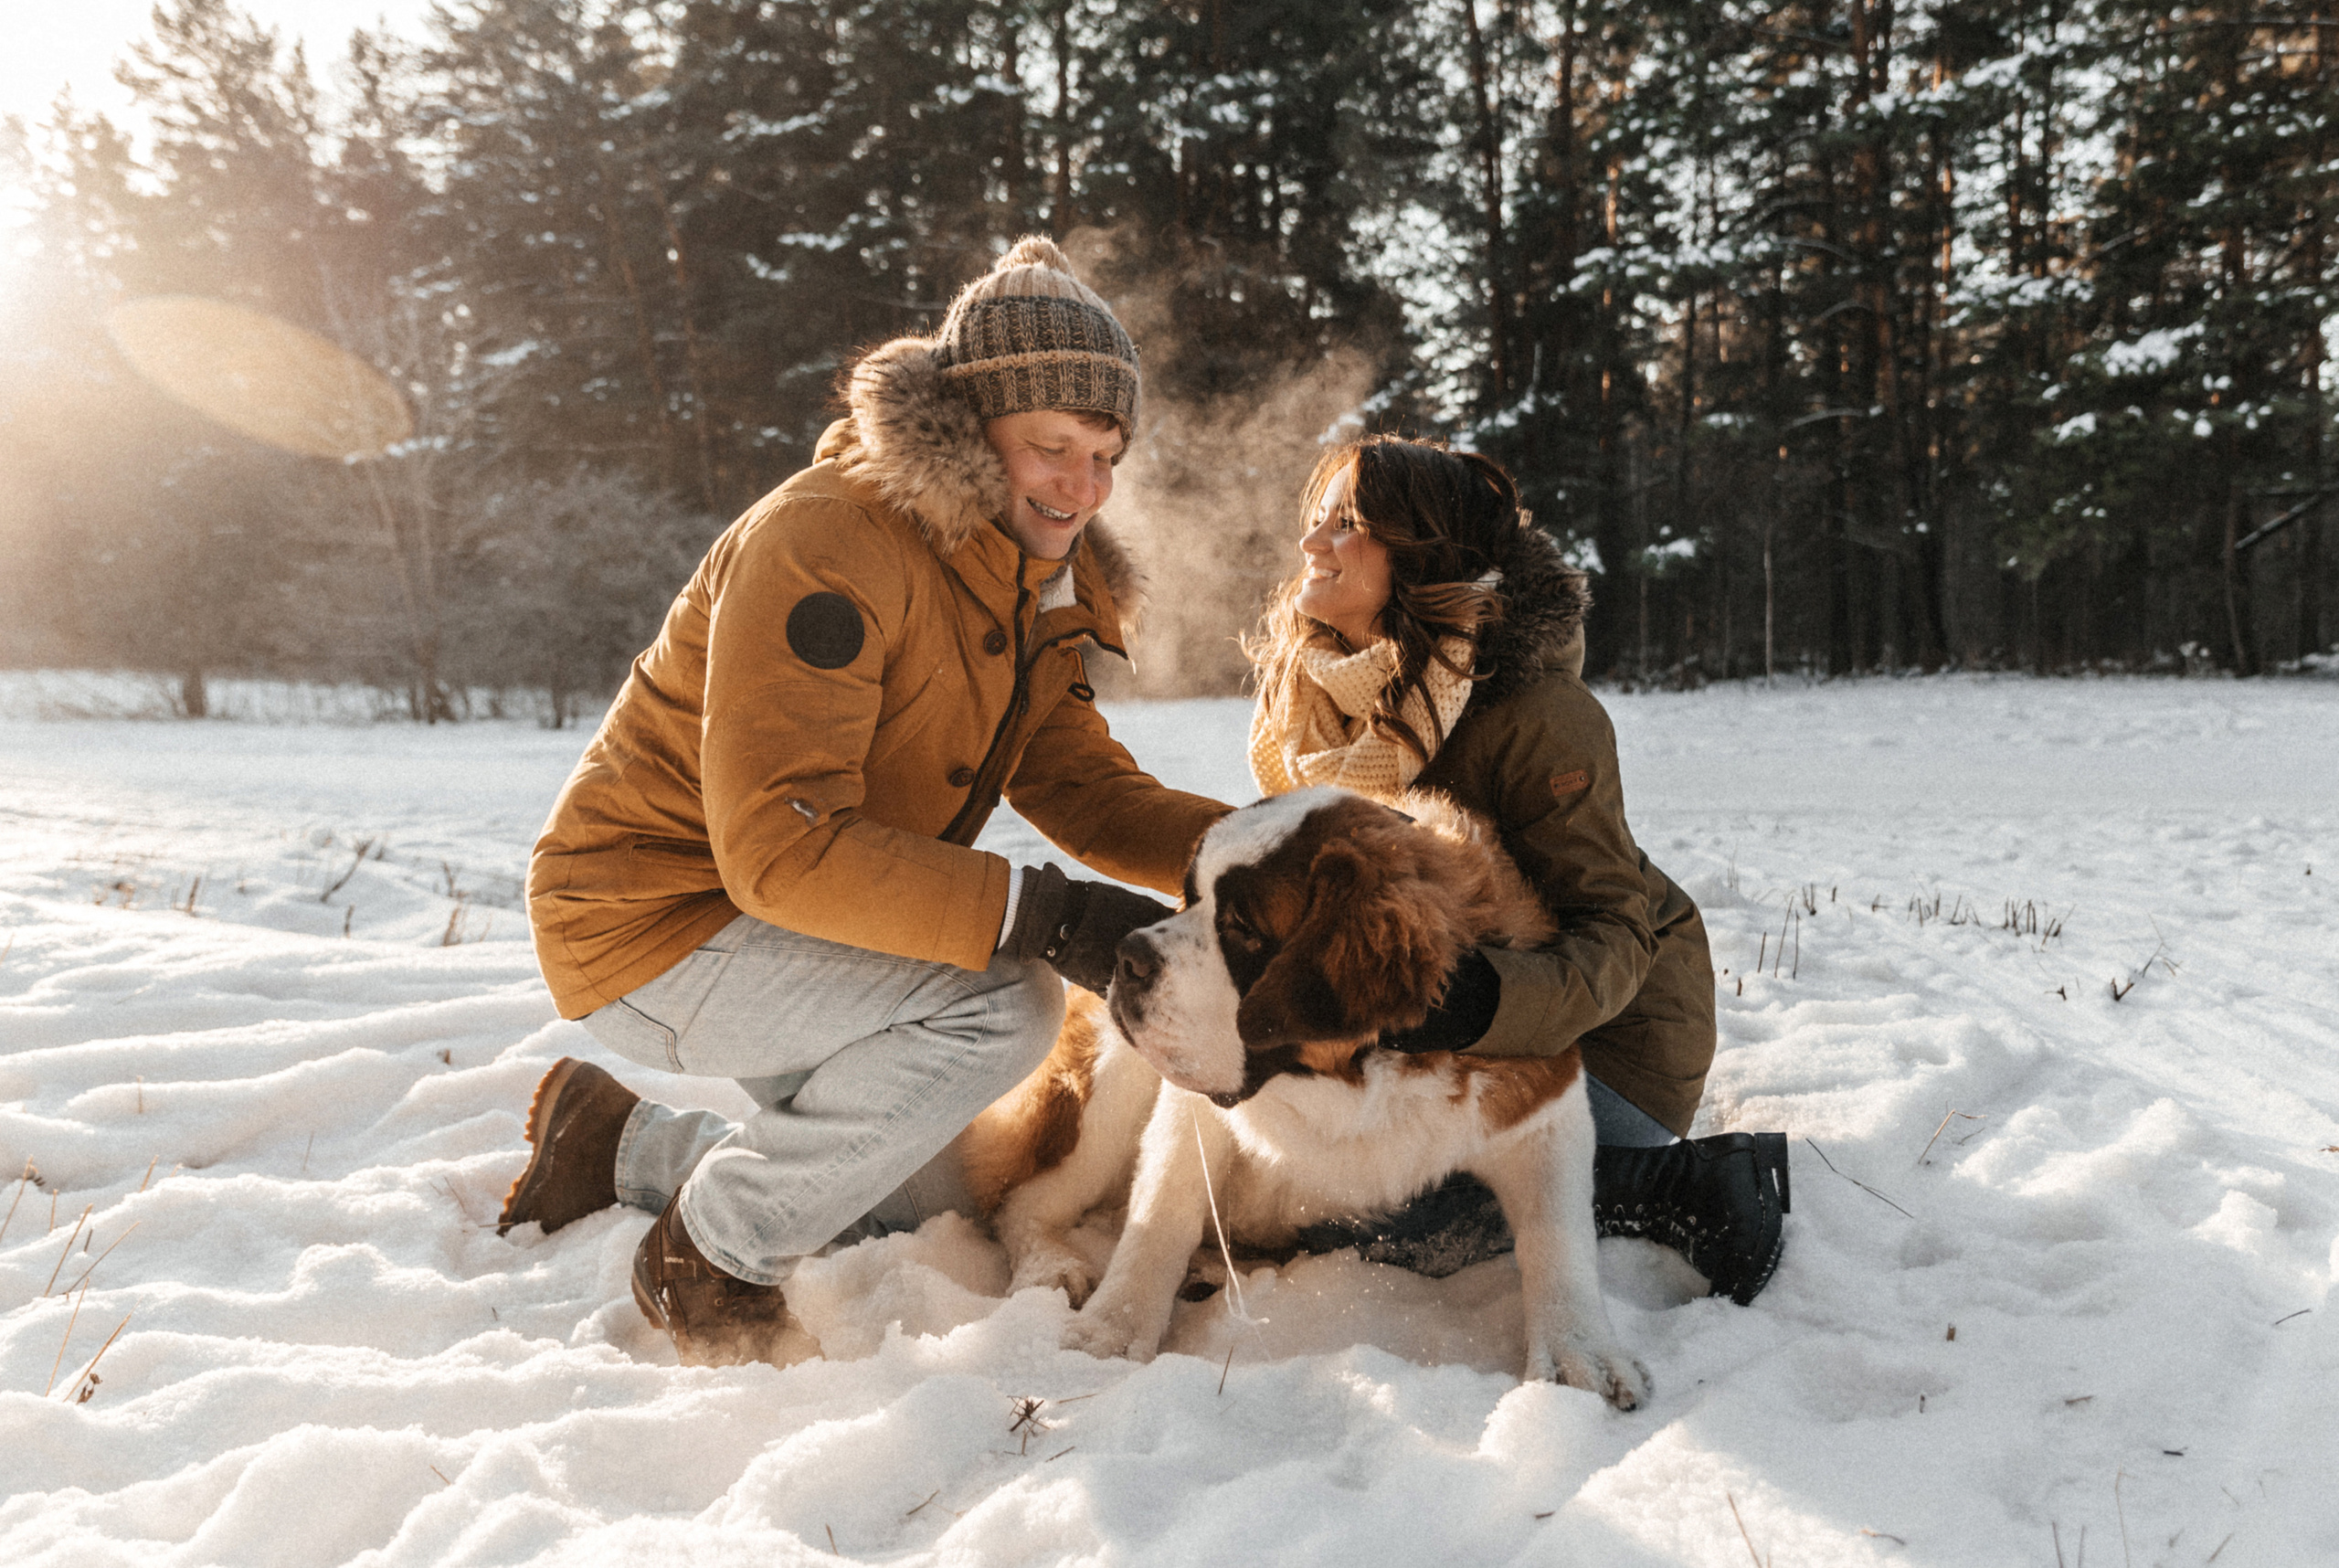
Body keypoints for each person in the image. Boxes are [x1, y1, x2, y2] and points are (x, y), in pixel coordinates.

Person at [501, 237, 1231, 1364]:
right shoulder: (828, 542)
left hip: (796, 928)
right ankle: (709, 1255)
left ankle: (616, 1141)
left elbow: (1078, 779)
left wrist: (1249, 852)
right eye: (1051, 448)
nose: (1082, 490)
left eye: (1104, 454)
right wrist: (1045, 918)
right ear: (968, 427)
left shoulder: (1027, 580)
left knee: (923, 1190)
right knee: (1003, 1006)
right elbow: (780, 848)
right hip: (657, 923)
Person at [1245, 435, 1790, 1302]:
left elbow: (1618, 935)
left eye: (1347, 525)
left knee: (1388, 1227)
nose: (1313, 544)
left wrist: (1477, 1005)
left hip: (1614, 1045)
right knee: (1292, 1179)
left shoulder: (1540, 716)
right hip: (1440, 1032)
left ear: (1423, 555)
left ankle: (1683, 1187)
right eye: (1316, 520)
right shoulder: (1318, 709)